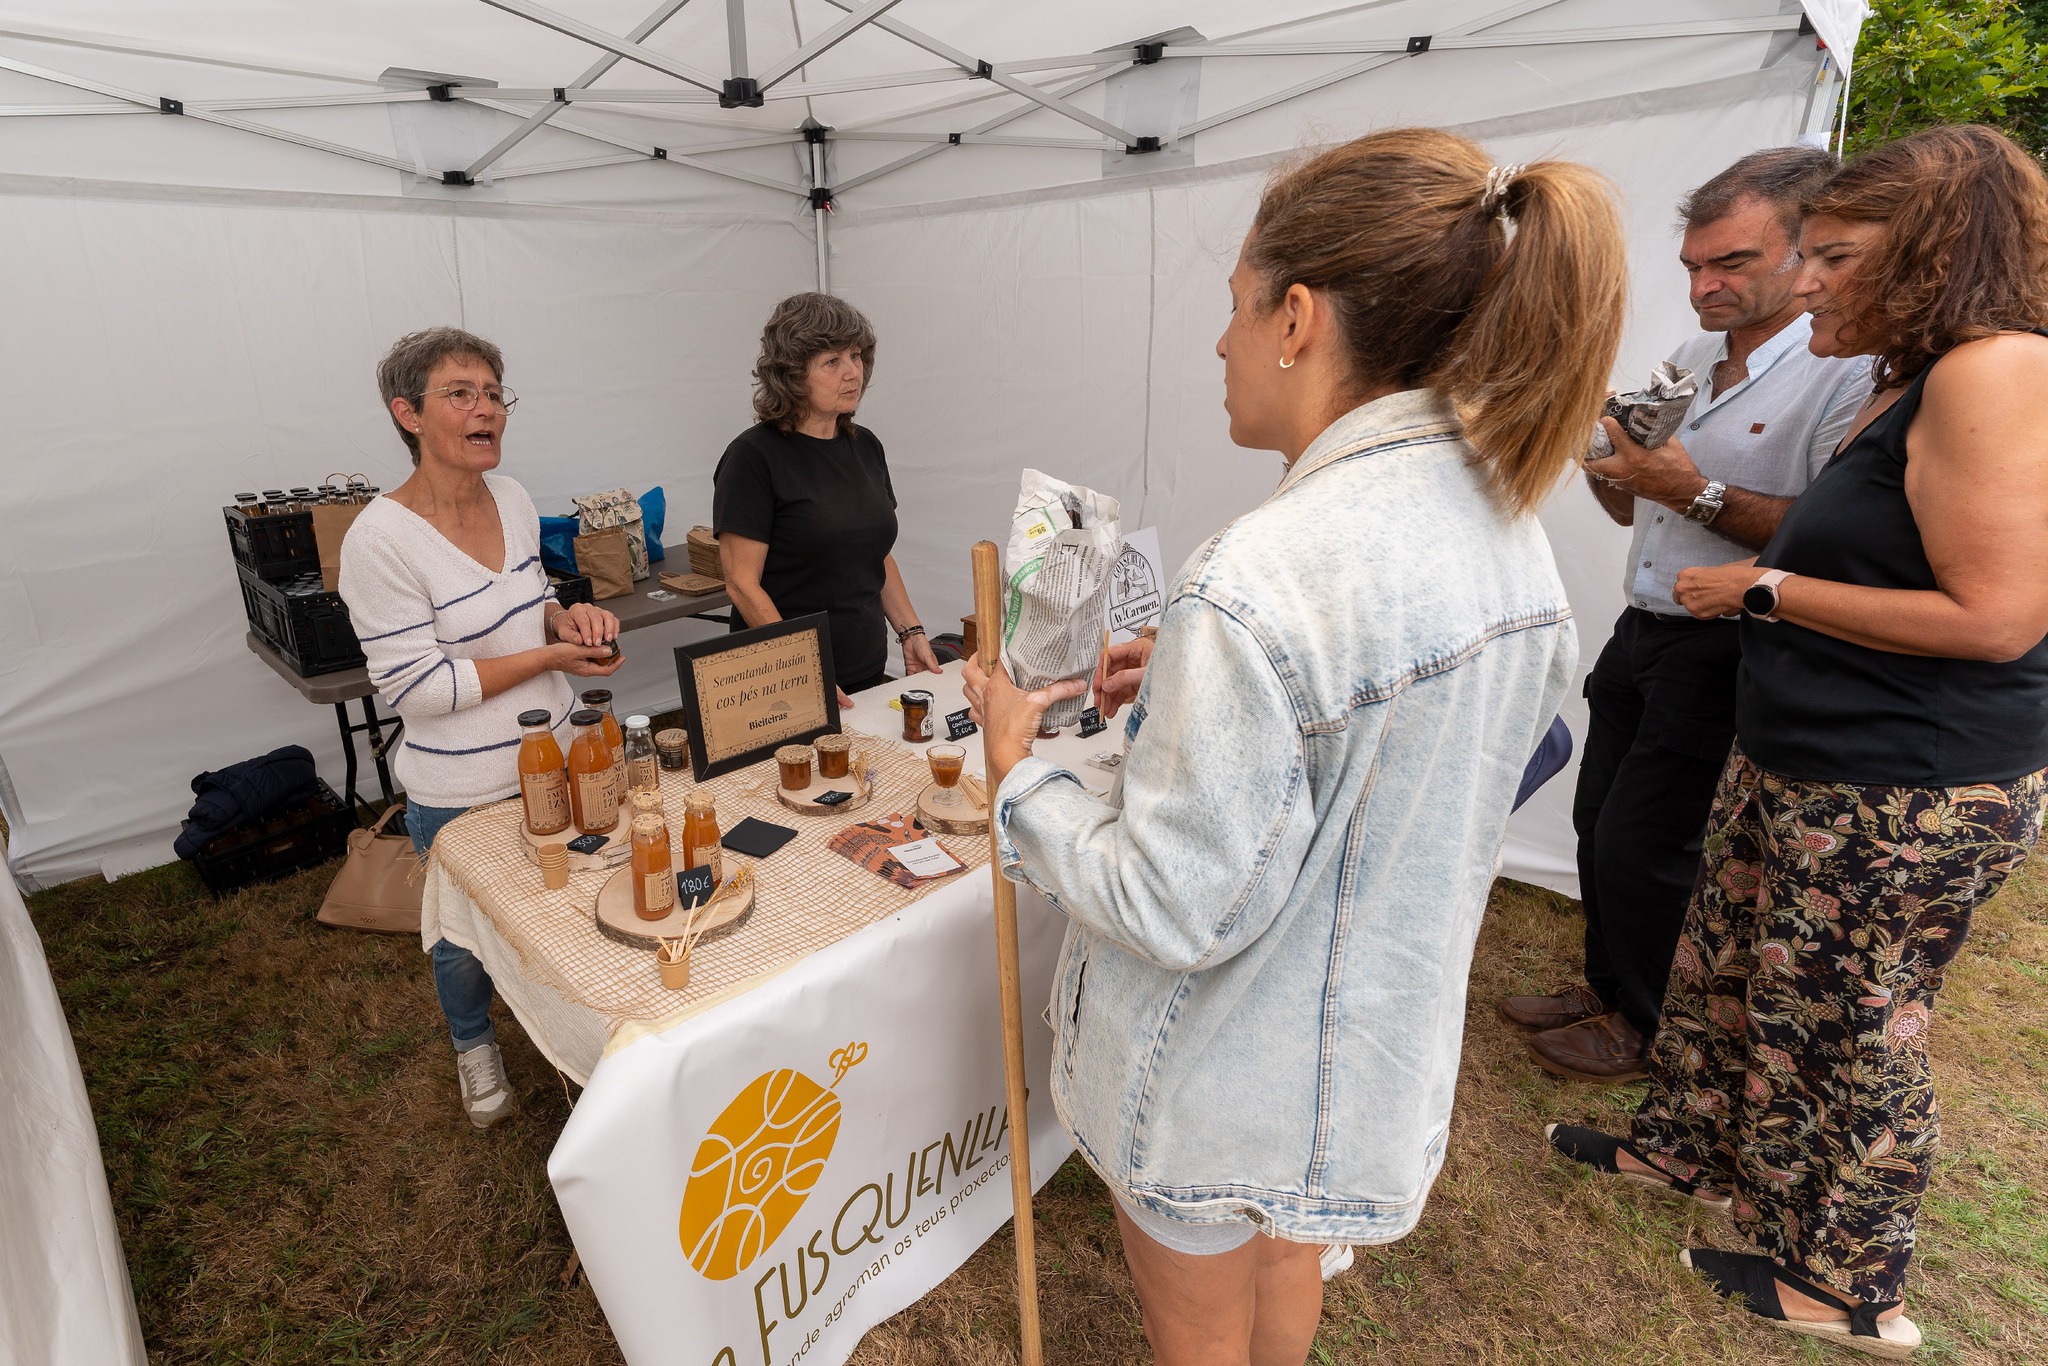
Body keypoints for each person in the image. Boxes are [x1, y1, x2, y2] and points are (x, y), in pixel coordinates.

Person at [964, 128, 1626, 1365]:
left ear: (1296, 317)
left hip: (1214, 1065)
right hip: (1354, 1060)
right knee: (1284, 1276)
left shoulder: (1262, 575)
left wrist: (1018, 773)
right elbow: (1500, 746)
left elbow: (1168, 905)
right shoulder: (1502, 519)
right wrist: (1197, 684)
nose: (1218, 343)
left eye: (1233, 308)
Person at [1545, 125, 2048, 1359]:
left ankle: (1847, 1279)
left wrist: (1763, 591)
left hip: (1906, 778)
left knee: (1849, 1021)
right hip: (1802, 749)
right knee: (1733, 970)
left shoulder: (1993, 370)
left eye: (1832, 255)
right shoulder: (1904, 370)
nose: (1809, 280)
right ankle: (1687, 1149)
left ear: (1932, 250)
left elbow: (1993, 617)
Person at [1501, 148, 1867, 1082]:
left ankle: (1655, 1029)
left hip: (1728, 643)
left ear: (1804, 251)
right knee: (1594, 815)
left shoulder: (1842, 373)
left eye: (1732, 264)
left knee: (1650, 840)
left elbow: (1828, 535)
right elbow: (1646, 501)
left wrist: (1693, 490)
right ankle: (1609, 988)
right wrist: (1617, 475)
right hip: (1647, 623)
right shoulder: (1699, 357)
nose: (1705, 285)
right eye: (1695, 267)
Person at [339, 327, 622, 1130]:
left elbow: (525, 606)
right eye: (460, 393)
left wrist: (572, 617)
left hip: (564, 753)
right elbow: (419, 689)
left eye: (495, 393)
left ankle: (578, 1025)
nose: (485, 408)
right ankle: (474, 1043)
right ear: (408, 415)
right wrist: (546, 659)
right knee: (463, 937)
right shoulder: (380, 541)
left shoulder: (515, 497)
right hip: (461, 787)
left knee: (572, 902)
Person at [713, 292, 940, 706]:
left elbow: (874, 552)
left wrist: (910, 633)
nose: (853, 373)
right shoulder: (752, 458)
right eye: (832, 362)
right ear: (792, 374)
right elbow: (741, 584)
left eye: (856, 356)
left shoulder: (866, 446)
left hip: (863, 667)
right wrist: (803, 672)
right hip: (777, 682)